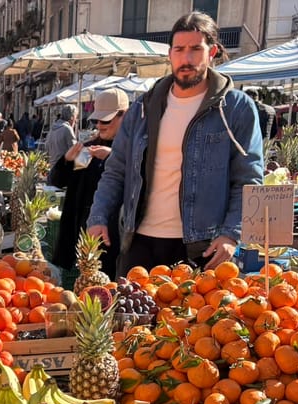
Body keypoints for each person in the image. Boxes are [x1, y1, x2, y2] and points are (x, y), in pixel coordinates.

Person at [87, 12, 263, 275]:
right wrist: (98, 216)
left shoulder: (236, 109)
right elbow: (116, 170)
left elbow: (248, 180)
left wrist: (231, 234)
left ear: (212, 52)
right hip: (139, 242)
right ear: (170, 54)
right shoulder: (144, 108)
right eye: (179, 49)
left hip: (201, 247)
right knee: (132, 315)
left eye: (195, 49)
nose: (186, 58)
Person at [49, 88, 128, 278]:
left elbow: (140, 181)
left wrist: (113, 157)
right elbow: (57, 181)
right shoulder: (87, 149)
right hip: (82, 235)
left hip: (113, 238)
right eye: (96, 120)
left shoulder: (133, 150)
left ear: (124, 116)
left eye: (106, 120)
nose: (99, 125)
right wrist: (66, 161)